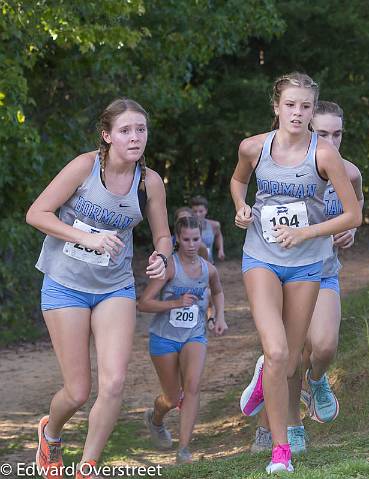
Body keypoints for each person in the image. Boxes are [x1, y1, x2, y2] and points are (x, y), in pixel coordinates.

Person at [26, 99, 172, 479]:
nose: (135, 137)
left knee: (114, 382)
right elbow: (36, 213)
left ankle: (87, 468)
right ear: (107, 136)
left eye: (141, 129)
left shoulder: (150, 182)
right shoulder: (84, 167)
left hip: (114, 287)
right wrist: (83, 238)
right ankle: (51, 433)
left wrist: (161, 257)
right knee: (77, 391)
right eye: (125, 130)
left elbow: (163, 236)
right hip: (65, 285)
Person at [231, 73, 362, 474]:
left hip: (307, 263)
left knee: (288, 363)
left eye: (306, 106)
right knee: (277, 351)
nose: (298, 113)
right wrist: (240, 206)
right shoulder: (253, 147)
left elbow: (354, 213)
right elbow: (238, 181)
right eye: (291, 105)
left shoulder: (324, 155)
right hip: (261, 257)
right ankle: (281, 451)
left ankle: (263, 380)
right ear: (277, 106)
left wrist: (307, 231)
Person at [138, 215, 227, 464]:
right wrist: (175, 303)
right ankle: (155, 419)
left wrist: (219, 316)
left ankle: (183, 449)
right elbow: (144, 303)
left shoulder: (208, 269)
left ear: (202, 239)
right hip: (164, 338)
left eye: (195, 239)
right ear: (177, 239)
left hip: (194, 334)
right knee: (173, 397)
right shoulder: (169, 268)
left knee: (193, 387)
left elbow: (218, 292)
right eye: (185, 239)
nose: (190, 244)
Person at [190, 195, 225, 262]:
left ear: (206, 211)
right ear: (191, 211)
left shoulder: (214, 225)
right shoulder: (186, 227)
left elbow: (218, 235)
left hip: (208, 263)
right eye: (195, 211)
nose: (198, 214)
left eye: (201, 211)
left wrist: (221, 249)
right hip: (191, 265)